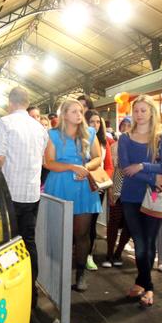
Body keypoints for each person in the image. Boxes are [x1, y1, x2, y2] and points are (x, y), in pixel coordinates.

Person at [0, 87, 48, 305]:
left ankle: (12, 290)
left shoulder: (5, 123)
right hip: (32, 194)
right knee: (29, 241)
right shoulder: (39, 128)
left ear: (10, 102)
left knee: (8, 243)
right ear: (27, 103)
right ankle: (31, 290)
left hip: (10, 193)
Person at [44, 98, 102, 291]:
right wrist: (72, 167)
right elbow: (49, 163)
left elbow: (97, 158)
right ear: (64, 115)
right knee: (59, 232)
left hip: (83, 186)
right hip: (60, 184)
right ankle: (57, 272)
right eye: (74, 111)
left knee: (82, 233)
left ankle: (81, 274)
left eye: (80, 111)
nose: (79, 114)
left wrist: (84, 168)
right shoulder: (52, 135)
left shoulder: (90, 133)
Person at [118, 94, 162, 307]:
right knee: (140, 243)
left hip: (154, 197)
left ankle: (141, 282)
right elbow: (124, 168)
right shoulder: (125, 139)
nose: (139, 114)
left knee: (149, 242)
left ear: (151, 112)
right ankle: (149, 288)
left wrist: (142, 167)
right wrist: (151, 175)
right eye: (136, 110)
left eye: (143, 110)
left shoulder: (160, 138)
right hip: (130, 197)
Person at [84, 110, 115, 271]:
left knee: (92, 223)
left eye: (98, 122)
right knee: (81, 222)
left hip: (98, 187)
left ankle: (89, 255)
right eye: (91, 122)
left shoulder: (105, 144)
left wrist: (103, 181)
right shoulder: (79, 140)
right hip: (81, 185)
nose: (95, 125)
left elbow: (109, 166)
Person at [103, 129, 131, 268]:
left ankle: (118, 253)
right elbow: (112, 169)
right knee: (113, 223)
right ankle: (109, 254)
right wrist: (111, 189)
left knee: (129, 225)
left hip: (133, 192)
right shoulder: (115, 147)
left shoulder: (139, 146)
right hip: (117, 190)